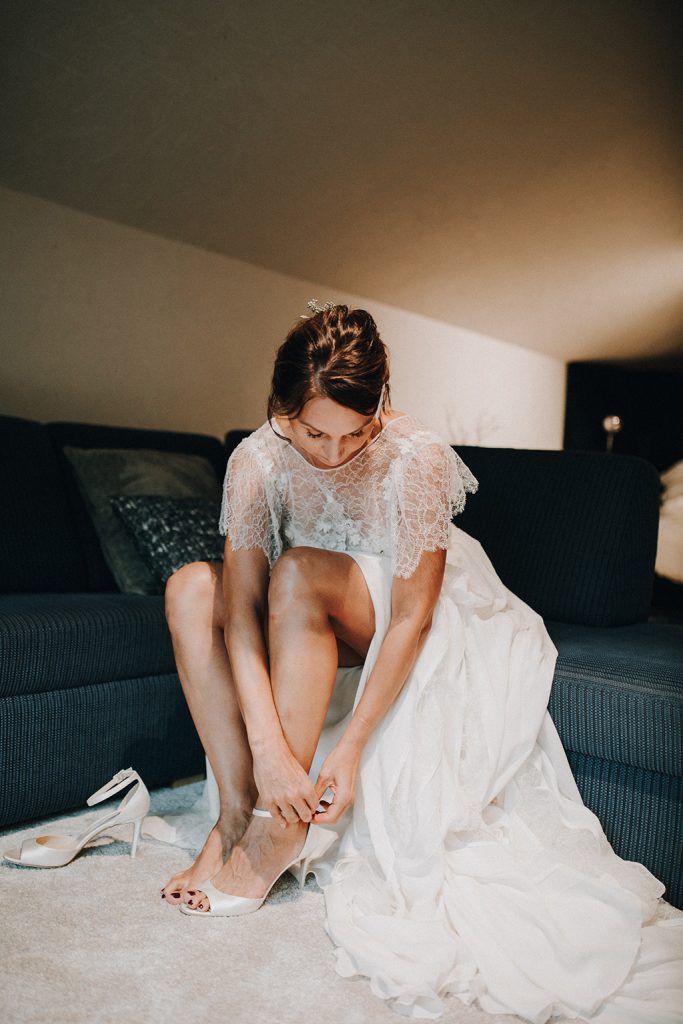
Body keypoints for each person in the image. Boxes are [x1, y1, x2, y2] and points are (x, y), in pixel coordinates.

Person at [156, 301, 683, 1022]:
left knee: (301, 569)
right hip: (298, 605)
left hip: (407, 610)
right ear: (279, 407)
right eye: (313, 431)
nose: (334, 453)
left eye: (355, 431)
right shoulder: (254, 458)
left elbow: (412, 617)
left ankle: (280, 832)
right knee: (190, 588)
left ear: (381, 407)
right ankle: (236, 810)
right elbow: (238, 614)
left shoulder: (416, 456)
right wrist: (268, 750)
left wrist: (349, 753)